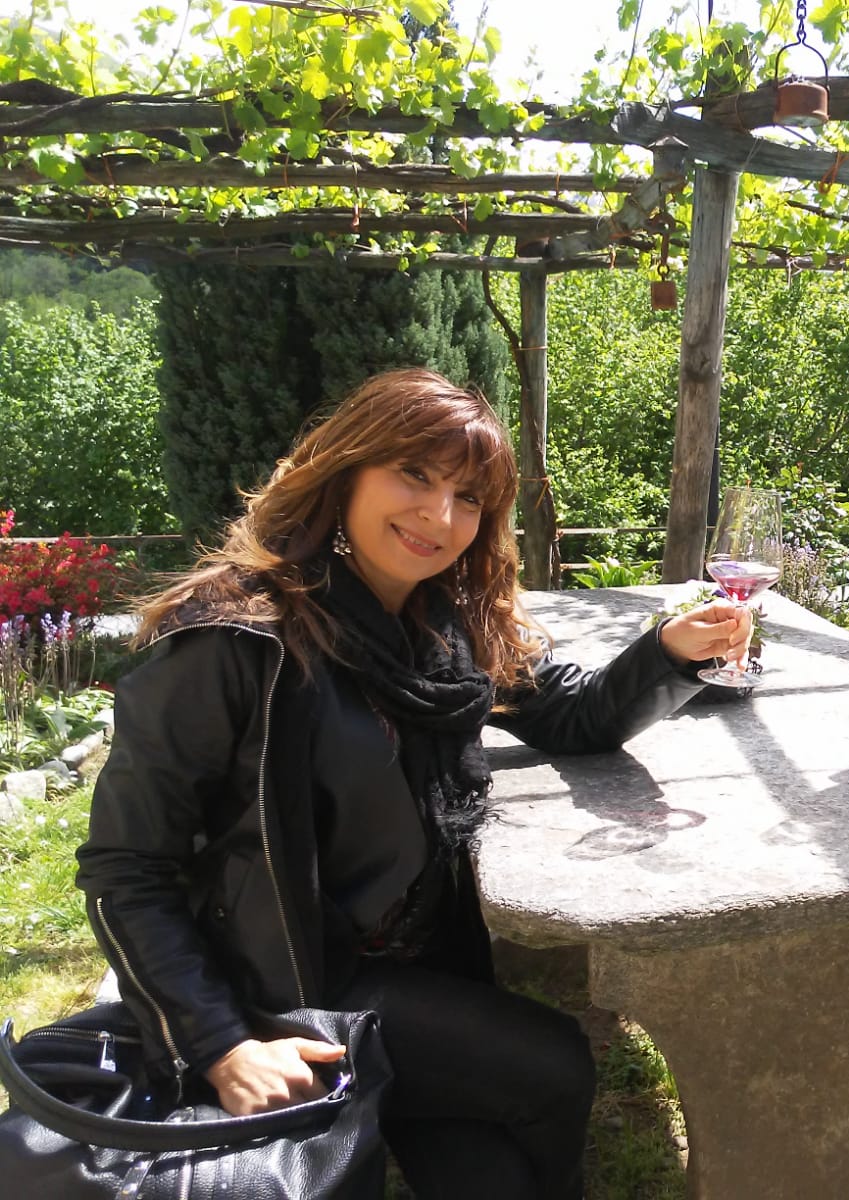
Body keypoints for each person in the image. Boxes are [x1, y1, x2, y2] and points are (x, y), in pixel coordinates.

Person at [76, 368, 750, 1200]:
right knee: (554, 1066)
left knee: (496, 1177)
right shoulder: (235, 642)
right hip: (288, 985)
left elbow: (574, 717)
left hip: (422, 960)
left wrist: (670, 651)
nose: (440, 515)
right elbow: (127, 868)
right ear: (346, 469)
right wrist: (219, 1044)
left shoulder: (446, 622)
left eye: (468, 498)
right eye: (415, 475)